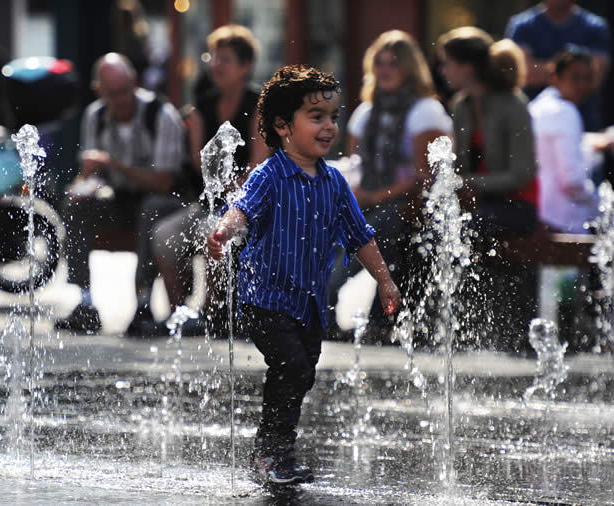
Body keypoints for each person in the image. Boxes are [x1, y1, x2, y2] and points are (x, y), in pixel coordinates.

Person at [206, 65, 400, 484]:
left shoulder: (334, 182)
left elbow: (359, 236)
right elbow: (242, 208)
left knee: (301, 373)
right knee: (292, 367)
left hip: (310, 305)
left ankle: (277, 451)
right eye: (316, 117)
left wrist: (384, 279)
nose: (329, 126)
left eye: (333, 116)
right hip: (266, 299)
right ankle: (270, 453)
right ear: (282, 126)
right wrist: (224, 229)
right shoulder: (271, 174)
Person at [328, 30, 452, 339]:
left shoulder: (426, 111)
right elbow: (354, 166)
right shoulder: (365, 113)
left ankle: (328, 300)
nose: (384, 71)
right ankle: (318, 309)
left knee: (360, 235)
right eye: (379, 63)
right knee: (327, 229)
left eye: (393, 64)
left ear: (409, 68)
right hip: (369, 200)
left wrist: (374, 196)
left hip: (408, 206)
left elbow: (425, 179)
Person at [146, 24, 269, 334]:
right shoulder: (203, 105)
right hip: (209, 203)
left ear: (245, 66)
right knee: (163, 234)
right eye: (213, 57)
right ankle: (182, 315)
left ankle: (218, 313)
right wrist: (196, 133)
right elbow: (201, 166)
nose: (215, 64)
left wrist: (230, 186)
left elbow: (258, 165)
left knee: (212, 231)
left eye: (225, 58)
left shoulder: (259, 106)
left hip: (248, 205)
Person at [54, 53, 185, 333]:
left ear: (134, 83)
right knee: (76, 206)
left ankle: (143, 303)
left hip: (163, 202)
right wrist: (83, 185)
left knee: (150, 210)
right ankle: (85, 303)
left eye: (124, 91)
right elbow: (94, 175)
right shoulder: (95, 116)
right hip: (118, 199)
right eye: (111, 93)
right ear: (99, 90)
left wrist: (116, 165)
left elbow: (163, 182)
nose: (119, 100)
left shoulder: (161, 115)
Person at [439, 28, 538, 351]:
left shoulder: (513, 104)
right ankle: (441, 328)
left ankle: (491, 328)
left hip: (518, 206)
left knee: (469, 228)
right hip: (481, 204)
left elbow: (522, 174)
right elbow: (460, 168)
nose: (443, 71)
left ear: (468, 67)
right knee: (432, 227)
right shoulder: (462, 105)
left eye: (447, 64)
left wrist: (469, 185)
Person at [506, 0, 610, 131]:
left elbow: (596, 77)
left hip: (585, 127)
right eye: (559, 75)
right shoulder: (522, 25)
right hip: (533, 129)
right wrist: (572, 71)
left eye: (578, 77)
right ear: (554, 77)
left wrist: (540, 67)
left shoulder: (595, 27)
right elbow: (524, 73)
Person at [530, 47, 600, 233]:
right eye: (575, 77)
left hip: (539, 215)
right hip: (562, 222)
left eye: (587, 78)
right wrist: (597, 200)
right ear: (555, 77)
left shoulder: (537, 107)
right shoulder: (566, 111)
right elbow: (572, 180)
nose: (582, 85)